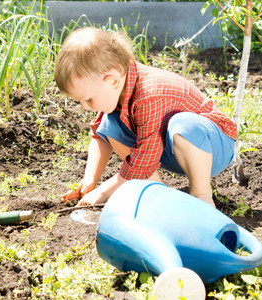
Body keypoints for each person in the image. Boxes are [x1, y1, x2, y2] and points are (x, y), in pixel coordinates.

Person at [56, 27, 237, 208]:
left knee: (182, 124)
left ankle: (202, 195)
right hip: (173, 151)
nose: (85, 107)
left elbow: (143, 158)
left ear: (112, 81)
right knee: (111, 122)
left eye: (88, 99)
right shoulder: (118, 91)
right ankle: (157, 190)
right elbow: (101, 137)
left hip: (213, 146)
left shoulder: (149, 94)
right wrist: (89, 181)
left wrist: (103, 191)